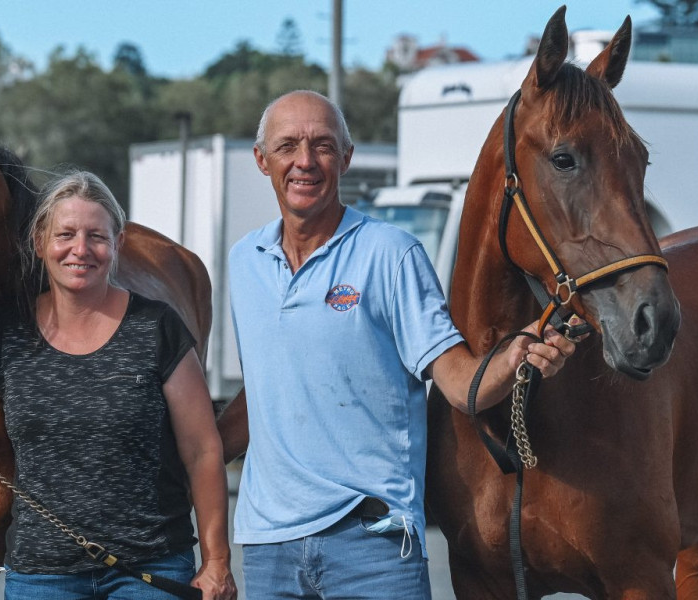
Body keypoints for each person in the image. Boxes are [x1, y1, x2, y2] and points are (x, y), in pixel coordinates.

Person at [219, 90, 578, 598]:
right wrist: (182, 455)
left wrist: (515, 356)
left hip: (373, 546)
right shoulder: (245, 259)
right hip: (268, 547)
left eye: (323, 145)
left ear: (346, 158)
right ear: (261, 160)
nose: (305, 161)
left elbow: (457, 382)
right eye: (287, 146)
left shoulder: (391, 254)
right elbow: (265, 391)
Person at [0, 171, 236, 600]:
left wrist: (216, 561)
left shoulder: (157, 328)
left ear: (118, 244)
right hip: (43, 579)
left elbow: (202, 450)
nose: (80, 249)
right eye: (65, 234)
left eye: (97, 237)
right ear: (39, 242)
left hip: (149, 571)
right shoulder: (7, 332)